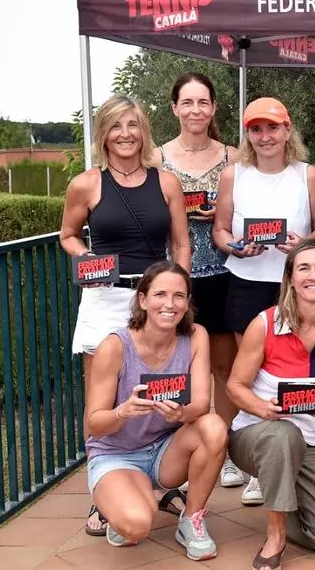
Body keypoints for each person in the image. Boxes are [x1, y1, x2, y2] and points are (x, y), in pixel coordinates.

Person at [61, 94, 190, 536]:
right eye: (116, 126)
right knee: (102, 402)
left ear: (144, 130)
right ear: (104, 133)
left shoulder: (166, 182)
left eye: (133, 125)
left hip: (156, 301)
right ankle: (102, 498)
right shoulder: (86, 183)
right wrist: (86, 261)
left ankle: (148, 476)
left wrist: (179, 290)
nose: (125, 135)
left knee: (158, 390)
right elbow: (68, 235)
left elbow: (182, 245)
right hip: (105, 300)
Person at [226, 238, 315, 569]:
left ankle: (284, 505)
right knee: (283, 434)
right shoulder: (265, 324)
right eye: (303, 268)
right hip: (258, 435)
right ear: (290, 277)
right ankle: (276, 536)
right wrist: (264, 409)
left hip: (314, 444)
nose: (313, 276)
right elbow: (235, 386)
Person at [214, 96, 315, 506]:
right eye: (256, 129)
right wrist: (236, 247)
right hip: (246, 283)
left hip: (294, 288)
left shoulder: (308, 175)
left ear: (288, 129)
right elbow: (221, 231)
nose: (265, 137)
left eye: (273, 128)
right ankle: (247, 459)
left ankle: (278, 459)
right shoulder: (234, 175)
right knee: (249, 372)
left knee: (288, 368)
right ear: (247, 134)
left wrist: (305, 245)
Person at [84, 261, 225, 560]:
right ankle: (125, 506)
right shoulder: (114, 346)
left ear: (188, 302)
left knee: (213, 427)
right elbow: (94, 424)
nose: (170, 304)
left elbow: (201, 403)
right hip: (115, 454)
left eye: (179, 296)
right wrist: (123, 411)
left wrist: (181, 415)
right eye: (160, 294)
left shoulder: (196, 336)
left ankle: (192, 519)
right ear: (143, 300)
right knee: (137, 526)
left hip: (164, 451)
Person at [156, 72, 245, 490]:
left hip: (225, 272)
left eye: (203, 102)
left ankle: (223, 451)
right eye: (187, 103)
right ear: (174, 108)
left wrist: (223, 218)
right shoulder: (156, 157)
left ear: (213, 108)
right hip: (174, 278)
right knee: (177, 369)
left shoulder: (234, 156)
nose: (195, 110)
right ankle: (177, 450)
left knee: (225, 368)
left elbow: (247, 207)